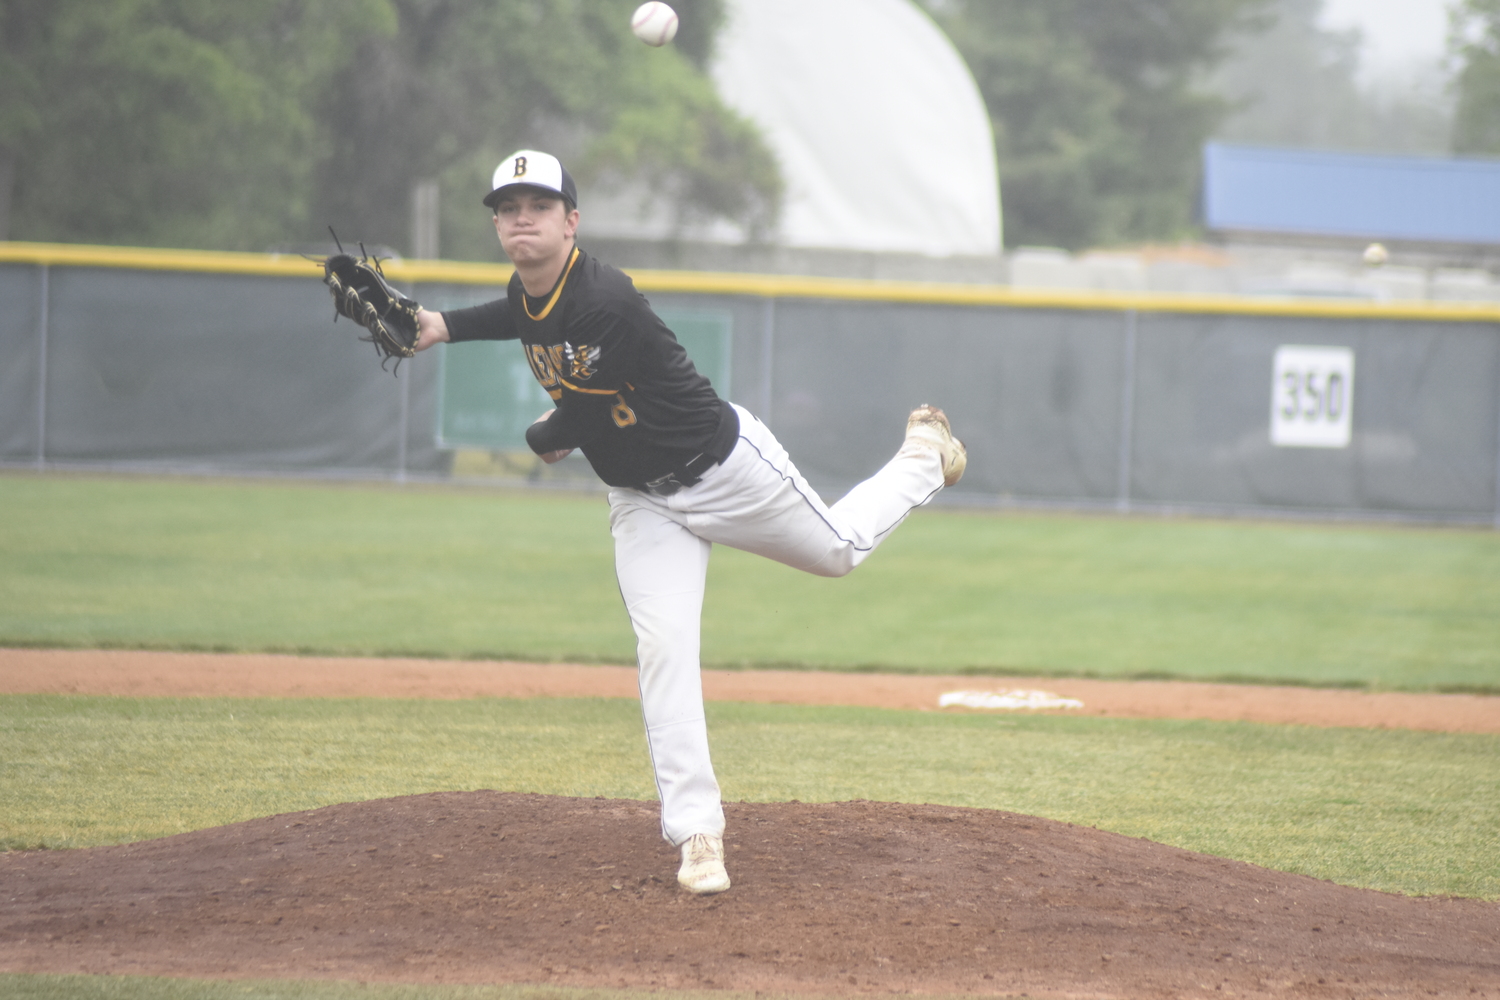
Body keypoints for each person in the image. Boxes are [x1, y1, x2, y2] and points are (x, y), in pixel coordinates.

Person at [413, 149, 966, 895]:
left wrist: (545, 434)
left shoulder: (606, 296)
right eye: (508, 209)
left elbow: (566, 422)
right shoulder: (530, 292)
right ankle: (698, 835)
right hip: (643, 501)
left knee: (837, 552)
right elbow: (513, 315)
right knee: (664, 650)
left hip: (727, 471)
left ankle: (925, 456)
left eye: (538, 207)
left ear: (571, 222)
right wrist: (434, 325)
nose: (521, 220)